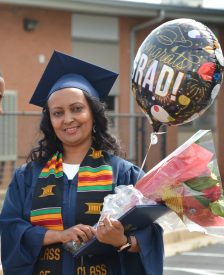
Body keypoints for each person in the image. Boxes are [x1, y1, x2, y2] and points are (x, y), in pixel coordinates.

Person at [0, 51, 164, 275]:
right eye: (58, 113)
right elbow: (10, 229)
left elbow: (150, 235)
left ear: (93, 114)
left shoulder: (124, 174)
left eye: (77, 109)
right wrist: (58, 235)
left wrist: (122, 240)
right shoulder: (27, 177)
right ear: (50, 120)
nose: (68, 119)